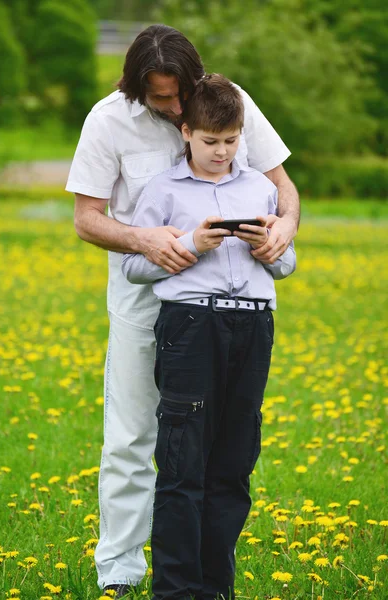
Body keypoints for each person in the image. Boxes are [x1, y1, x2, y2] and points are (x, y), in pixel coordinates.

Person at [66, 24, 299, 596]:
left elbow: (282, 189)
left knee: (215, 444)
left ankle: (205, 573)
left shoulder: (227, 101)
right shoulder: (107, 120)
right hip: (143, 298)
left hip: (228, 309)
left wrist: (285, 231)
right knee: (130, 435)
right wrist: (146, 241)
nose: (172, 109)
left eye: (178, 95)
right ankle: (119, 570)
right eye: (160, 99)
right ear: (136, 87)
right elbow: (86, 217)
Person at [121, 73, 296, 600]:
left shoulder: (261, 188)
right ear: (187, 134)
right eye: (211, 141)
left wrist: (273, 251)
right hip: (192, 328)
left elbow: (285, 263)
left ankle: (216, 587)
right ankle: (175, 590)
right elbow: (134, 266)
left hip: (253, 326)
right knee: (182, 464)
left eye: (231, 140)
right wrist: (192, 245)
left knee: (234, 462)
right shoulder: (164, 191)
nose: (222, 152)